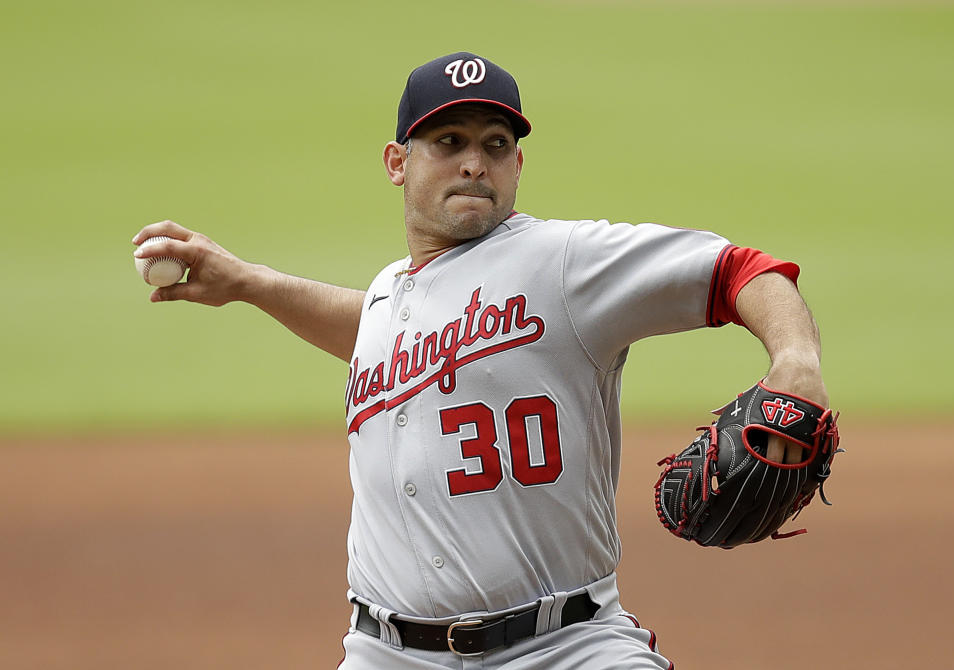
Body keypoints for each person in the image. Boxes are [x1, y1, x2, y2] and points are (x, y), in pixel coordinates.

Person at [133, 52, 829, 669]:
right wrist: (250, 284)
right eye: (448, 141)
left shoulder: (563, 263)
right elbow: (381, 338)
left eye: (495, 145)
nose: (474, 161)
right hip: (382, 652)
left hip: (564, 648)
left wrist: (794, 362)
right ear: (396, 163)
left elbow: (745, 270)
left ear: (517, 166)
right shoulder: (389, 296)